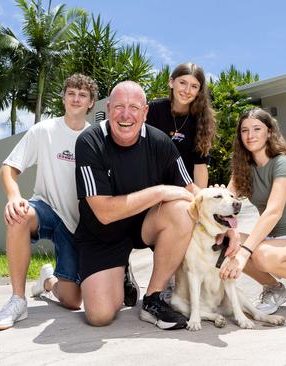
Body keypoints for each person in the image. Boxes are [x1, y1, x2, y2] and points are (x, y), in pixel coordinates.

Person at [74, 81, 195, 330]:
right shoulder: (89, 141)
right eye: (119, 106)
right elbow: (104, 212)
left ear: (145, 112)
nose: (126, 115)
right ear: (108, 108)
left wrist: (226, 223)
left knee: (182, 209)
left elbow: (192, 193)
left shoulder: (160, 142)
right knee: (99, 316)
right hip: (102, 233)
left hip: (144, 226)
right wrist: (160, 191)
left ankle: (153, 299)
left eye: (134, 107)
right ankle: (121, 273)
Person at [0, 74, 98, 331]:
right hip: (46, 208)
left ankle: (47, 281)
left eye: (83, 95)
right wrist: (14, 197)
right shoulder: (44, 130)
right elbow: (8, 168)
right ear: (63, 97)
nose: (76, 99)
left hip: (77, 225)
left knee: (72, 301)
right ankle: (17, 300)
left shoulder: (95, 137)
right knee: (19, 214)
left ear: (91, 102)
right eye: (71, 93)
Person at [220, 108, 286, 318]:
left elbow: (273, 212)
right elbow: (227, 200)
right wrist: (215, 197)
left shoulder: (281, 161)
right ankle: (274, 289)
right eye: (244, 130)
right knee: (223, 241)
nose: (250, 135)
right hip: (270, 240)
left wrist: (243, 254)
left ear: (269, 132)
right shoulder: (243, 167)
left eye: (257, 129)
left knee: (260, 254)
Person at [146, 62, 216, 189]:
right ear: (171, 82)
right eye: (182, 83)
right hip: (153, 186)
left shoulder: (201, 119)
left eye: (194, 86)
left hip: (184, 189)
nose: (187, 90)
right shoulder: (154, 110)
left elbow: (200, 166)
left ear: (199, 91)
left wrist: (199, 201)